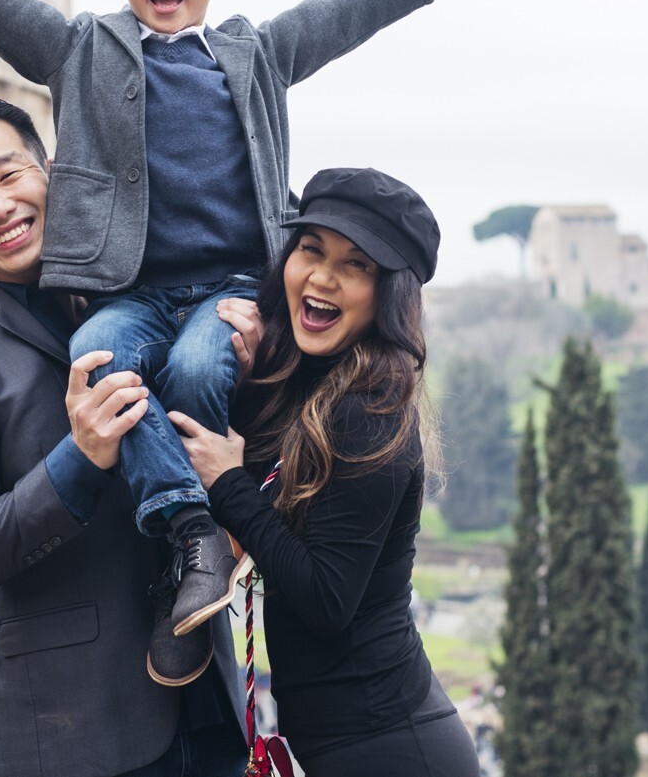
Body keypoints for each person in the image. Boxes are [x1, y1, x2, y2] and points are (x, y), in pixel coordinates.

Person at [0, 0, 521, 671]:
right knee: (98, 356)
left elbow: (350, 11)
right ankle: (192, 529)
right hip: (136, 291)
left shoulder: (255, 53)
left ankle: (204, 533)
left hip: (225, 286)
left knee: (197, 365)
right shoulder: (81, 48)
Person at [0, 96, 244, 777]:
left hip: (207, 713)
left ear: (52, 172)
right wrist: (78, 461)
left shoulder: (154, 306)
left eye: (9, 174)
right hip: (78, 738)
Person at [172, 168, 477, 776]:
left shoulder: (370, 412)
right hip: (351, 745)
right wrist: (252, 378)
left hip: (392, 749)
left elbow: (325, 599)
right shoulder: (317, 386)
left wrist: (228, 484)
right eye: (311, 249)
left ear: (388, 293)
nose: (322, 277)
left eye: (357, 264)